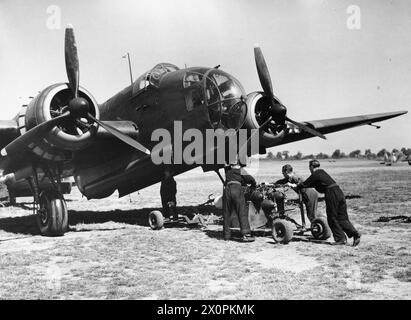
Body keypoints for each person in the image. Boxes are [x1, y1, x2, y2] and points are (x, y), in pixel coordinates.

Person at [294, 160, 361, 246]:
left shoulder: (316, 174)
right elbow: (313, 184)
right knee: (342, 218)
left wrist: (297, 186)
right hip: (339, 192)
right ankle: (355, 234)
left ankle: (340, 239)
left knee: (332, 217)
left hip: (331, 193)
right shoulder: (322, 172)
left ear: (311, 167)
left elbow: (305, 184)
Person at [223, 160, 256, 242]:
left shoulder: (227, 169)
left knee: (226, 212)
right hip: (237, 189)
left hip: (227, 190)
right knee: (242, 211)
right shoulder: (241, 171)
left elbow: (225, 164)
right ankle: (246, 234)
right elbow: (252, 180)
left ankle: (226, 236)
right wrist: (252, 188)